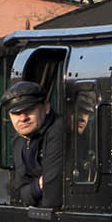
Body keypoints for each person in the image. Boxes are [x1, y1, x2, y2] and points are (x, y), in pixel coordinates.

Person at [6, 77, 66, 209]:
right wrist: (38, 185)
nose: (23, 118)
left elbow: (53, 193)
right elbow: (18, 192)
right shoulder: (19, 139)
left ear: (46, 107)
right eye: (16, 113)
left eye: (29, 110)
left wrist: (32, 190)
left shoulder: (59, 130)